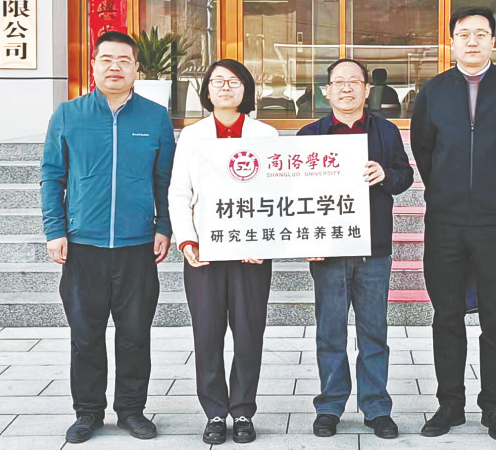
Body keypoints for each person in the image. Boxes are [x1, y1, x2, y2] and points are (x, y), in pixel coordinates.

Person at [409, 6, 496, 441]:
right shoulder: (433, 91)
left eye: (481, 34)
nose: (472, 41)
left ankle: (494, 406)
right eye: (463, 33)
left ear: (493, 42)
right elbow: (424, 149)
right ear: (451, 41)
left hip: (494, 222)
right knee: (446, 315)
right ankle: (450, 404)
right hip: (444, 222)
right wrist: (445, 190)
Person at [40, 30, 175, 444]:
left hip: (138, 246)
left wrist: (165, 226)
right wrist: (55, 230)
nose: (115, 67)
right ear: (93, 65)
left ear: (136, 68)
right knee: (86, 336)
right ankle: (88, 412)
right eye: (107, 59)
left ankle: (132, 410)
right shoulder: (69, 114)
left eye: (124, 60)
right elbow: (52, 176)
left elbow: (165, 180)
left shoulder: (154, 117)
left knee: (135, 334)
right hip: (83, 246)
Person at [296, 58, 414, 440]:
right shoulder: (309, 135)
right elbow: (296, 194)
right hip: (328, 249)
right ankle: (330, 406)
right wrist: (305, 240)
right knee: (330, 333)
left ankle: (376, 408)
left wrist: (385, 175)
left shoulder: (386, 132)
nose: (346, 88)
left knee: (373, 333)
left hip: (373, 249)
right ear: (326, 90)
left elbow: (405, 176)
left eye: (354, 82)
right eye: (338, 82)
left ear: (366, 89)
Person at [168, 58, 278, 445]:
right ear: (207, 91)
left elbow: (278, 193)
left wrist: (266, 242)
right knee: (207, 334)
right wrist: (187, 240)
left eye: (234, 81)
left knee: (249, 333)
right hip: (205, 253)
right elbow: (178, 192)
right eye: (217, 81)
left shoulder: (266, 135)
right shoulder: (192, 135)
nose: (226, 87)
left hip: (252, 254)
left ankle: (243, 410)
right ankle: (215, 411)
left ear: (246, 89)